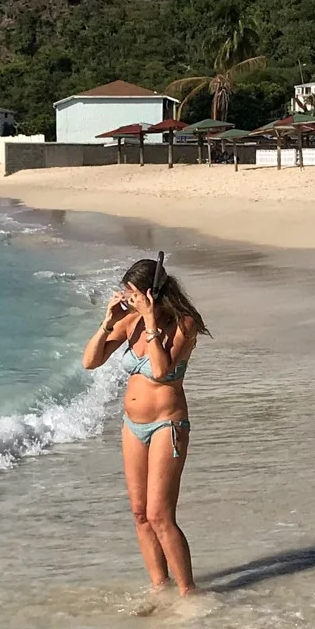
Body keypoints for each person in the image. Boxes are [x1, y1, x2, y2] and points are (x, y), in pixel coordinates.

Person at [82, 254, 209, 597]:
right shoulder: (129, 321)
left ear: (152, 294)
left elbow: (160, 371)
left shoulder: (184, 324)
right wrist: (108, 322)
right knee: (140, 514)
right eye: (127, 293)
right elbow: (90, 361)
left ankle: (188, 593)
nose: (128, 299)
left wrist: (152, 321)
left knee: (160, 515)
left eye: (134, 293)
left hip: (167, 426)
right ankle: (159, 588)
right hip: (132, 427)